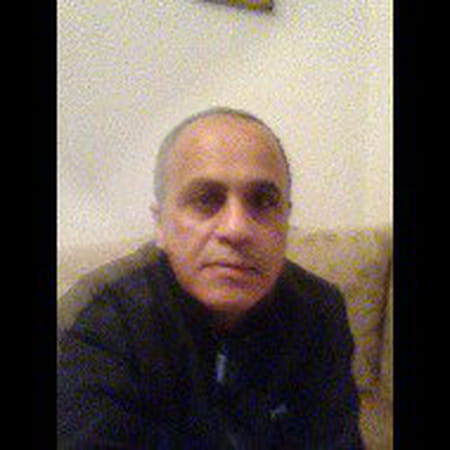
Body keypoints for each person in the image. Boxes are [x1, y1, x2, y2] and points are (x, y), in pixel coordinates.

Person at [57, 107, 364, 449]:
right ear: (161, 225)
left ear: (286, 220)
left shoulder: (319, 309)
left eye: (264, 201)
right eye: (205, 199)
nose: (236, 228)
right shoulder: (97, 324)